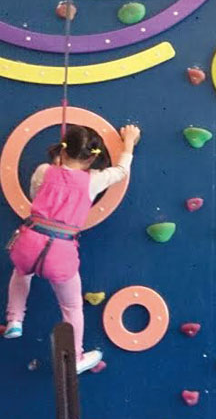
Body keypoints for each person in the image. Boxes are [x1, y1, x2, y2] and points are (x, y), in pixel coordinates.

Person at [4, 123, 141, 373]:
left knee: (21, 273)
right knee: (72, 307)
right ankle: (75, 358)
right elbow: (121, 171)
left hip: (29, 240)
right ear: (92, 158)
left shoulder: (44, 170)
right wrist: (129, 141)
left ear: (63, 149)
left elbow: (35, 195)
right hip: (61, 251)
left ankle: (14, 319)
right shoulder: (93, 180)